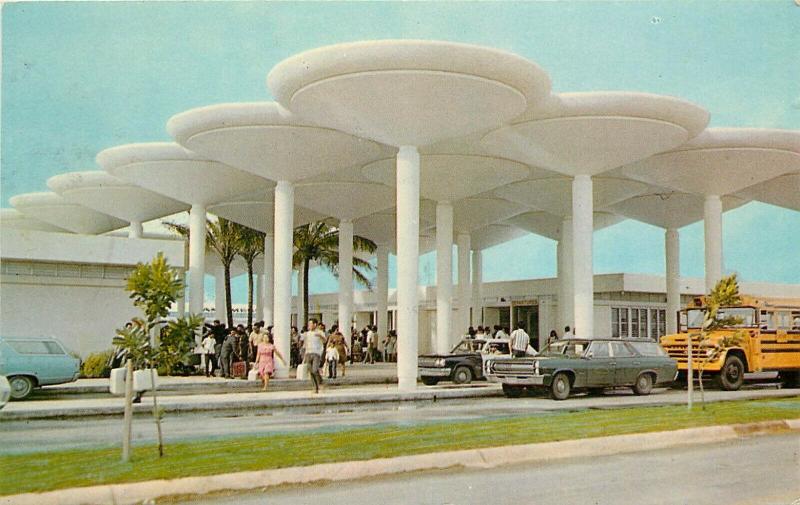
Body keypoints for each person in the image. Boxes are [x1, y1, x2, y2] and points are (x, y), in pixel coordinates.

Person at [303, 318, 327, 393]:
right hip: (308, 353)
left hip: (316, 353)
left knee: (315, 369)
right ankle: (315, 387)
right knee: (310, 371)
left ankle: (320, 383)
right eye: (309, 324)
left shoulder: (320, 332)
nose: (309, 326)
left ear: (315, 324)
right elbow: (306, 344)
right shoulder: (307, 333)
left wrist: (320, 336)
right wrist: (304, 355)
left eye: (311, 324)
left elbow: (325, 341)